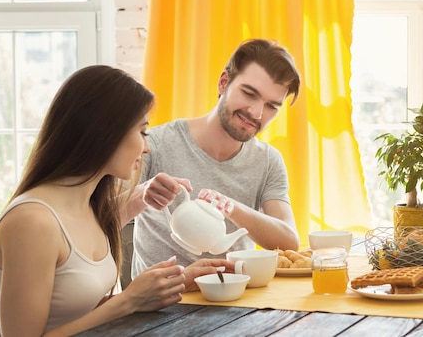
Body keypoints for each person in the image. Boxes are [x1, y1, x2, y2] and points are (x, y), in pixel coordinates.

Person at [0, 65, 235, 337]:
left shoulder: (88, 208)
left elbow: (77, 311)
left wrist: (175, 282)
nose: (146, 147)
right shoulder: (33, 222)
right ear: (104, 132)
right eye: (142, 132)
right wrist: (129, 300)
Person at [129, 38, 302, 278]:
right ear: (224, 83)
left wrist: (232, 208)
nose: (257, 113)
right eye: (249, 94)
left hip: (238, 304)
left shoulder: (268, 161)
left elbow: (289, 242)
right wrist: (144, 192)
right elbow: (100, 219)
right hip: (161, 306)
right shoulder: (154, 144)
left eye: (272, 106)